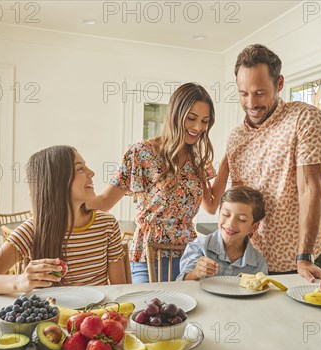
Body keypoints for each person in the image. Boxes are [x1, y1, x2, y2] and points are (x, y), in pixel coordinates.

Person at [86, 83, 229, 283]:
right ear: (175, 115)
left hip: (188, 253)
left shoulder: (197, 159)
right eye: (192, 118)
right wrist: (62, 205)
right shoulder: (142, 152)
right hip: (149, 254)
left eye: (205, 121)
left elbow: (212, 206)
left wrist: (226, 164)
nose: (198, 128)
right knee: (148, 308)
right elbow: (104, 201)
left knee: (189, 312)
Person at [226, 44, 321, 282]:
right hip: (252, 259)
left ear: (279, 83)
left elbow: (310, 188)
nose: (251, 102)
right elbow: (237, 200)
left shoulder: (304, 119)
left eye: (260, 92)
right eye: (243, 93)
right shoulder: (236, 137)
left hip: (298, 261)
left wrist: (303, 257)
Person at [0, 145, 127, 294]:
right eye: (80, 169)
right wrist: (19, 281)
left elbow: (120, 289)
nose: (91, 173)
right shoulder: (34, 229)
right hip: (53, 320)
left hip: (95, 321)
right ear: (56, 181)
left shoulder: (107, 225)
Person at [176, 186, 268, 281]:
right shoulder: (199, 246)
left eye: (241, 219)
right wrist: (195, 272)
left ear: (253, 227)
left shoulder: (258, 263)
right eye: (226, 214)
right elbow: (181, 285)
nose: (230, 224)